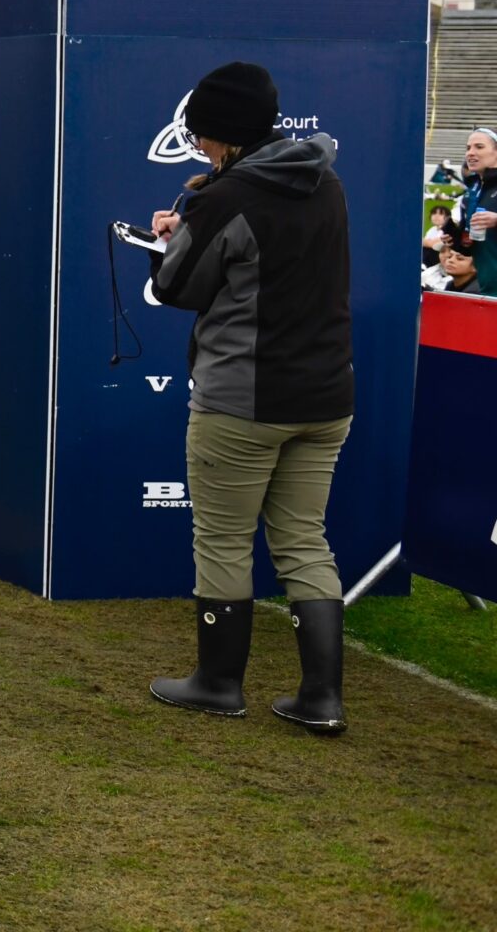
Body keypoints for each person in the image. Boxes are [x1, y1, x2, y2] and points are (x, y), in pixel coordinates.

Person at [145, 62, 354, 732]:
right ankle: (322, 698)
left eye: (204, 136)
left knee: (225, 538)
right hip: (325, 394)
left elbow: (179, 289)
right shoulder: (327, 184)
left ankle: (218, 682)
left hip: (244, 396)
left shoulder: (224, 198)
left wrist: (172, 239)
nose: (199, 147)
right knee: (303, 539)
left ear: (226, 135)